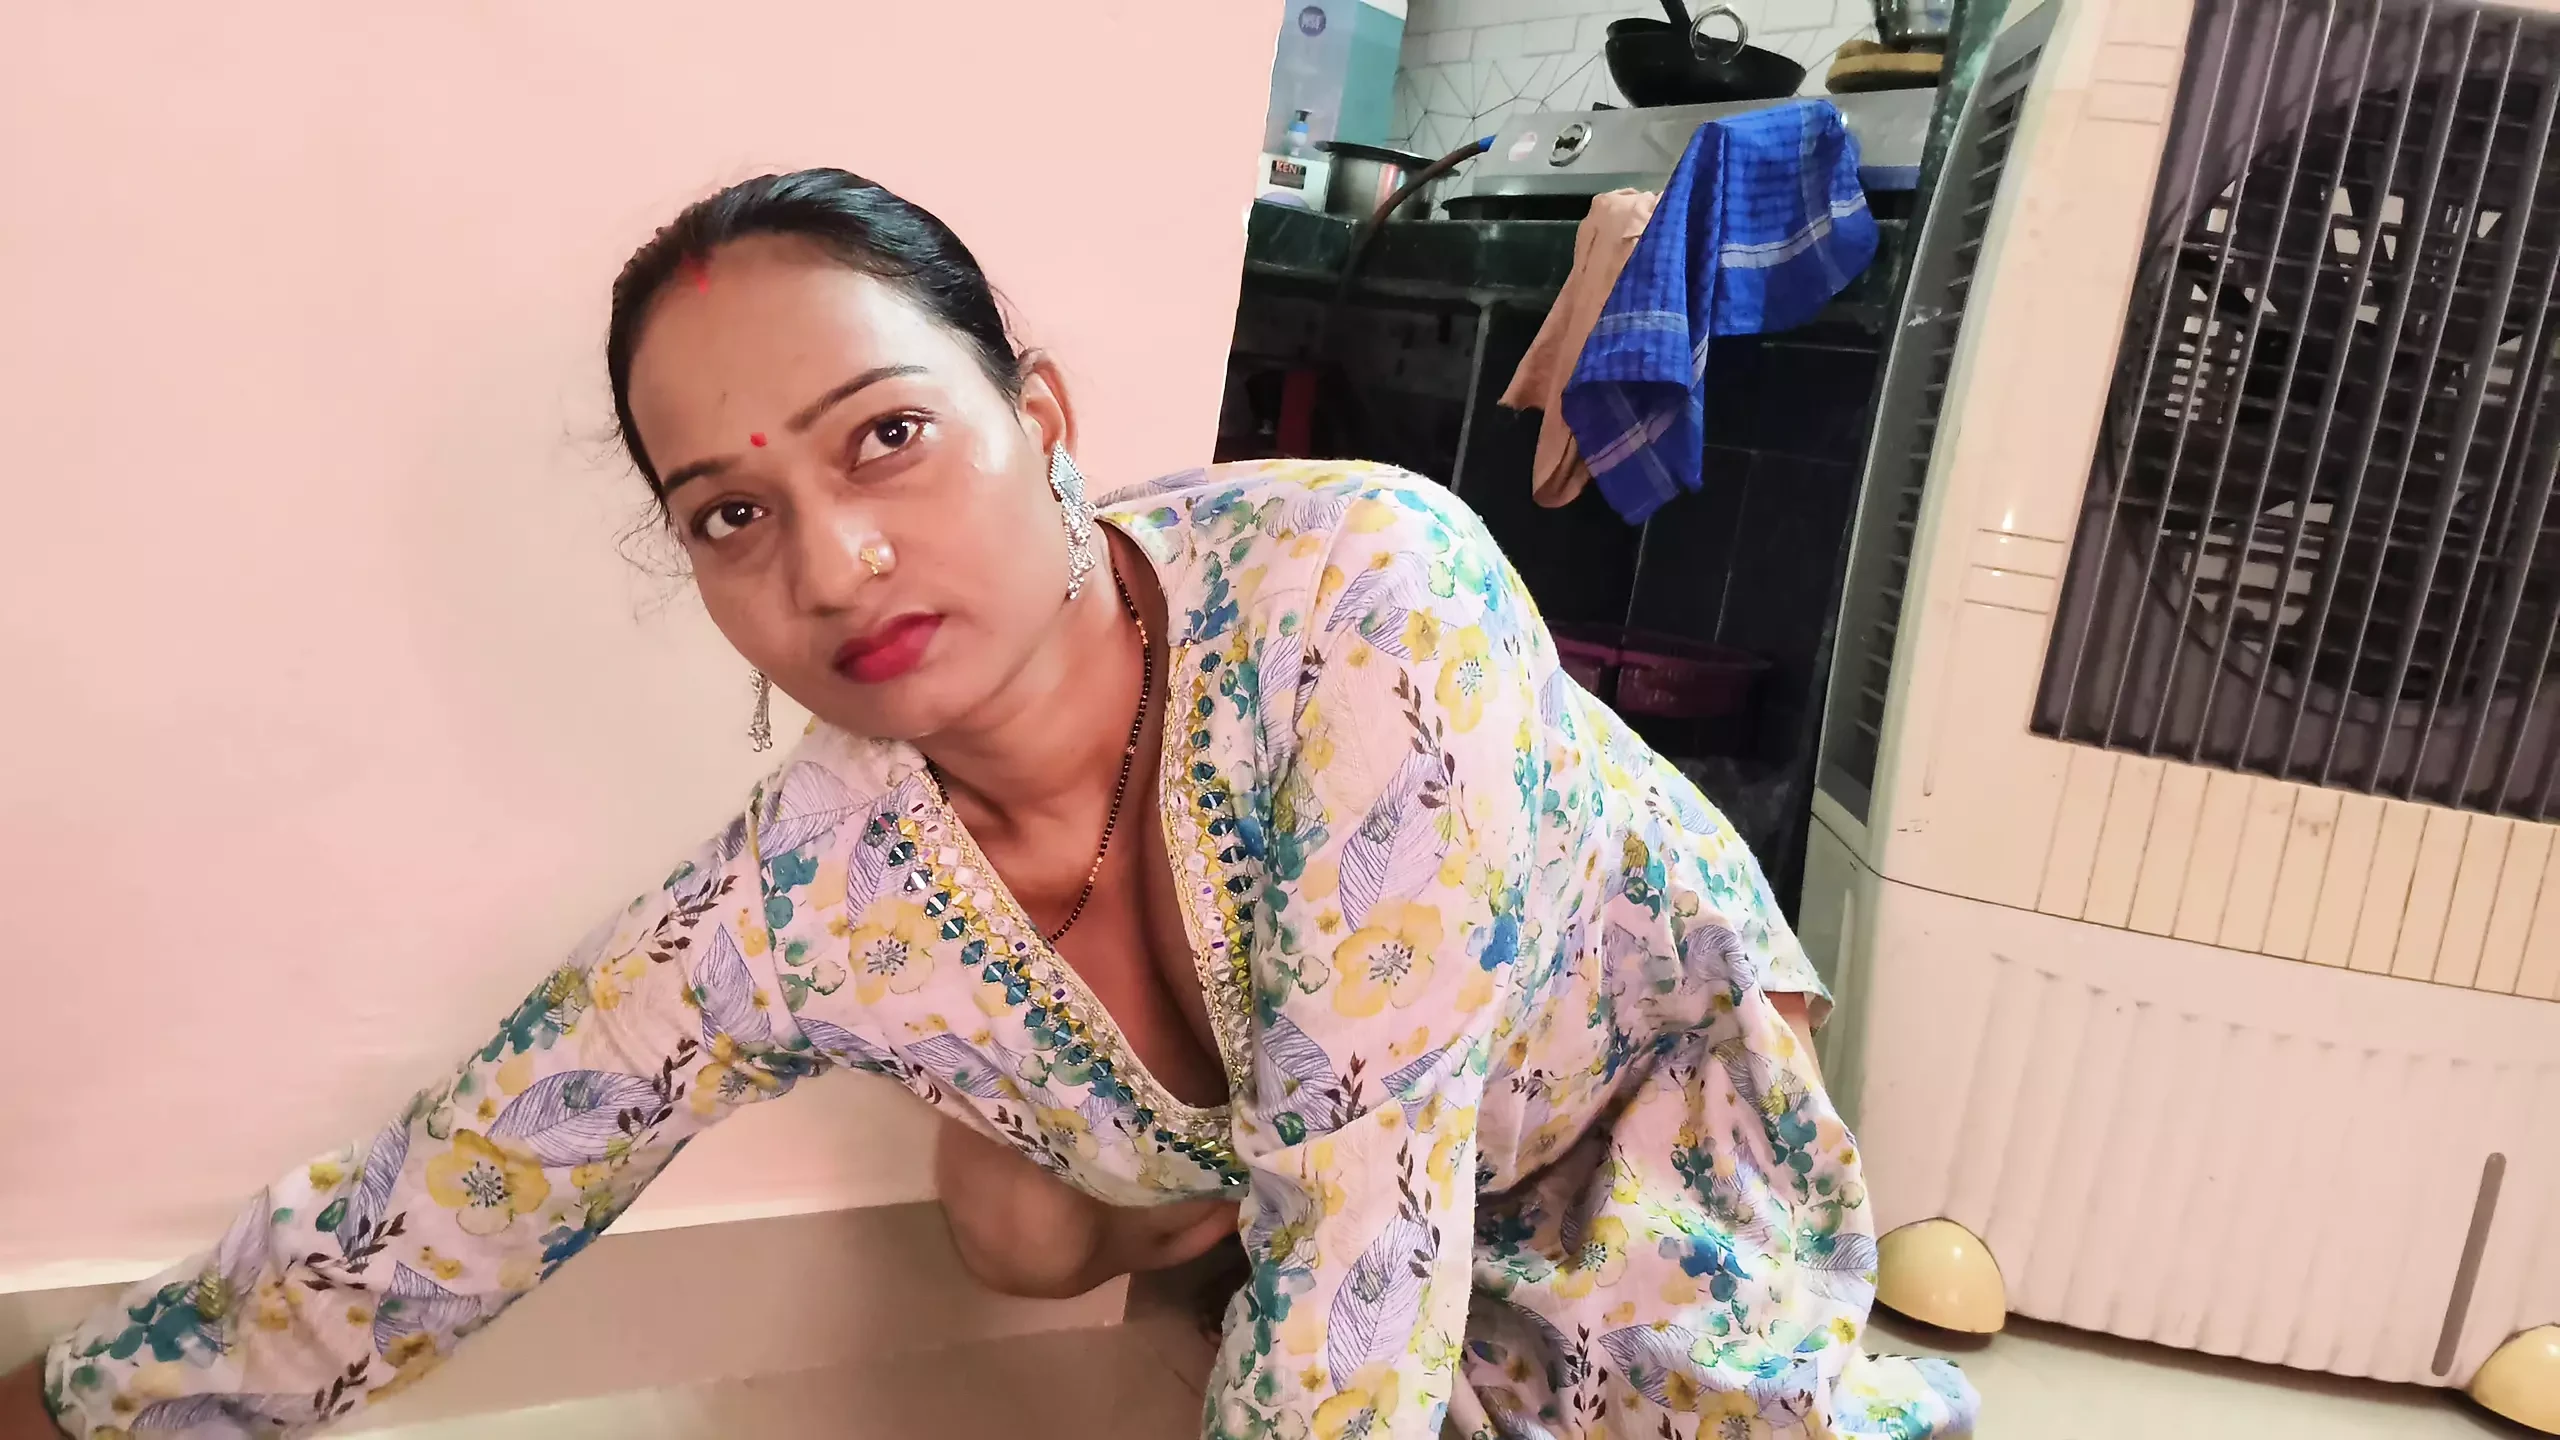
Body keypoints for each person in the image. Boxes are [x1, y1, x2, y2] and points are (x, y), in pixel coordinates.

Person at [1, 169, 1975, 1440]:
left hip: (1615, 1082)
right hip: (1317, 1150)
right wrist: (84, 1407)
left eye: (888, 437)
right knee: (1023, 1231)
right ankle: (1234, 1201)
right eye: (732, 516)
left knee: (1596, 1368)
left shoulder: (1364, 592)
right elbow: (466, 1179)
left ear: (1038, 419)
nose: (834, 564)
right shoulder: (810, 889)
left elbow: (1359, 1280)